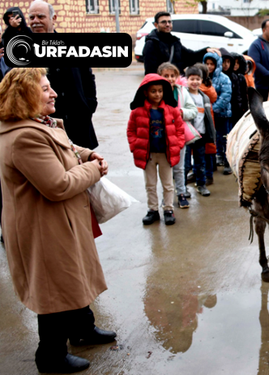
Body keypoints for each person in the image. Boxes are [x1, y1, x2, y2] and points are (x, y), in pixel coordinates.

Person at [0, 67, 114, 373]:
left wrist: (87, 154)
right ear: (25, 95)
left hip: (60, 221)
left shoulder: (41, 124)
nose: (54, 93)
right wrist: (94, 170)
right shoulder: (23, 137)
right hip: (43, 227)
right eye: (46, 88)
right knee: (53, 288)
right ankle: (50, 355)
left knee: (73, 274)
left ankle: (82, 329)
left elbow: (65, 151)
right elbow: (57, 185)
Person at [28, 0, 99, 149]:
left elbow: (88, 77)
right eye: (32, 18)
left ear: (53, 19)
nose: (35, 21)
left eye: (41, 17)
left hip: (78, 123)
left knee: (85, 168)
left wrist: (89, 104)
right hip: (44, 125)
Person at [127, 74, 185, 225]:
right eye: (153, 91)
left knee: (168, 184)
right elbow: (131, 130)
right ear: (145, 92)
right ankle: (153, 210)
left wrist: (178, 145)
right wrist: (134, 145)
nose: (157, 94)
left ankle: (168, 209)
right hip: (148, 155)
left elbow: (180, 129)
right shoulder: (137, 112)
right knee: (150, 184)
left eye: (160, 91)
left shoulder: (172, 110)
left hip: (166, 154)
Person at [158, 62, 197, 207]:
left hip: (179, 134)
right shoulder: (157, 91)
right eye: (166, 76)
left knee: (180, 168)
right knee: (165, 169)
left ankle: (181, 193)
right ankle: (167, 196)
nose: (170, 78)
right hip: (162, 136)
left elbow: (193, 110)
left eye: (172, 75)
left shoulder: (182, 91)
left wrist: (181, 113)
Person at [142, 12, 213, 75]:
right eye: (164, 22)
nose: (167, 24)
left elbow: (190, 57)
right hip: (164, 84)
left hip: (178, 82)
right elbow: (150, 71)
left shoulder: (175, 41)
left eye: (169, 22)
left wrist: (206, 50)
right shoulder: (151, 43)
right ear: (156, 25)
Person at [185, 66, 216, 195]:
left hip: (200, 134)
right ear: (186, 80)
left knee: (200, 162)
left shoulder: (205, 98)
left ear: (201, 80)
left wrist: (211, 132)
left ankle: (201, 184)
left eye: (197, 79)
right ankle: (182, 188)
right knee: (185, 164)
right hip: (186, 134)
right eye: (192, 79)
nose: (195, 82)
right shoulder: (184, 95)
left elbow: (208, 116)